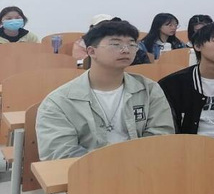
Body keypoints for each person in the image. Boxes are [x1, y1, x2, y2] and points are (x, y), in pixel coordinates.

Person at [36, 21, 174, 160]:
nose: (125, 50)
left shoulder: (149, 90)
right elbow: (60, 153)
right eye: (116, 44)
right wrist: (110, 165)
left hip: (141, 167)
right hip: (85, 171)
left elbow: (161, 136)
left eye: (131, 44)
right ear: (91, 51)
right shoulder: (59, 102)